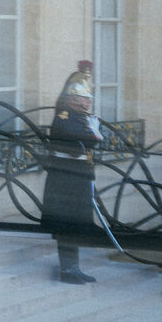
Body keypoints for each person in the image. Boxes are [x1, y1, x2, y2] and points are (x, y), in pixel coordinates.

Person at [41, 61, 103, 284]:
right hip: (65, 178)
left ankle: (74, 267)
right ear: (73, 99)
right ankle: (67, 270)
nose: (88, 102)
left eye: (88, 98)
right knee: (66, 225)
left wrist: (93, 135)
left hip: (77, 176)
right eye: (84, 98)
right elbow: (77, 147)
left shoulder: (80, 117)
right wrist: (94, 136)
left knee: (75, 224)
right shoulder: (64, 117)